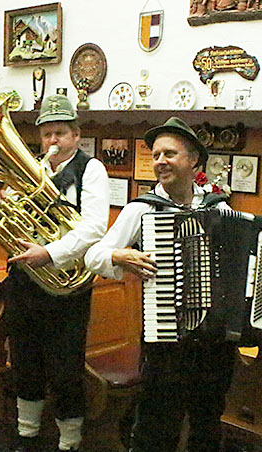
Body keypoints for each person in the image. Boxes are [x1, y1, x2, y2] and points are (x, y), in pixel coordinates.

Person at [84, 117, 236, 452]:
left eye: (169, 153)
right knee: (157, 425)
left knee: (208, 422)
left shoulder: (219, 207)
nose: (159, 162)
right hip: (166, 341)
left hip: (215, 341)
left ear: (193, 159)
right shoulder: (142, 209)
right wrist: (121, 258)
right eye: (155, 155)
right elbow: (94, 255)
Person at [0, 94, 109, 452]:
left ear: (76, 135)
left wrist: (50, 252)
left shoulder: (92, 169)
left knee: (65, 369)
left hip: (67, 285)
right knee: (25, 361)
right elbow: (14, 224)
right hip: (26, 282)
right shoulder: (31, 169)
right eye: (46, 134)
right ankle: (26, 435)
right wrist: (3, 207)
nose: (53, 142)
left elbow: (94, 228)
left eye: (60, 133)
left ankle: (69, 442)